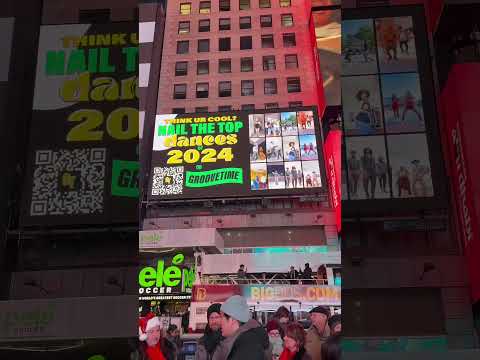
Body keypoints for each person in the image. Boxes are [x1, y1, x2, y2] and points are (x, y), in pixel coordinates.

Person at [214, 295, 271, 360]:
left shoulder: (248, 346)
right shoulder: (242, 342)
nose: (219, 322)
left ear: (232, 319)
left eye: (221, 317)